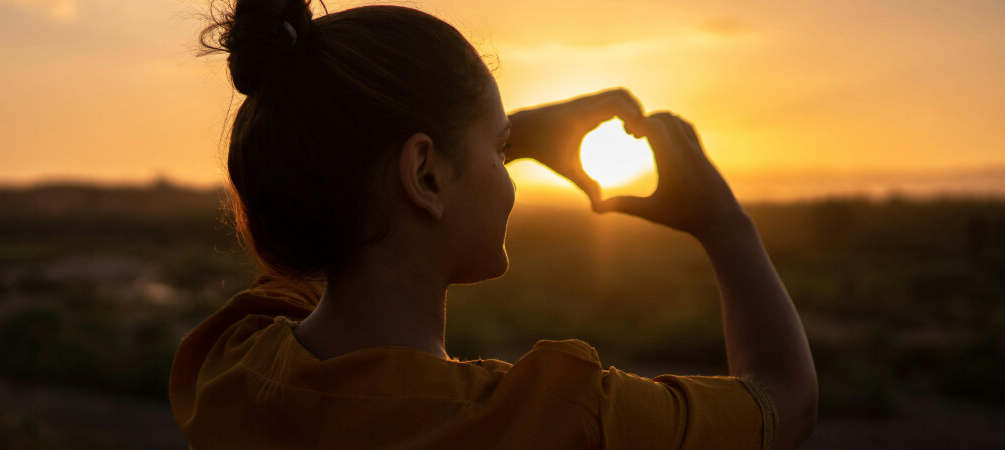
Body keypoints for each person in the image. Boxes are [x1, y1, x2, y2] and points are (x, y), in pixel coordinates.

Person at [169, 1, 818, 448]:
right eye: (500, 149)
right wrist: (725, 224)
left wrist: (490, 140)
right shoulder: (558, 419)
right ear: (424, 175)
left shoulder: (232, 364)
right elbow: (784, 402)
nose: (508, 174)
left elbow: (335, 206)